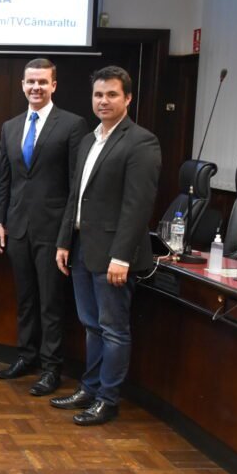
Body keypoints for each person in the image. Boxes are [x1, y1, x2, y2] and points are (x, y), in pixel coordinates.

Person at [52, 66, 161, 425]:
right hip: (82, 247)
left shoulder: (141, 141)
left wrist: (122, 256)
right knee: (91, 324)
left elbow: (137, 207)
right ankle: (90, 387)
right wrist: (64, 241)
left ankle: (108, 399)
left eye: (112, 94)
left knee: (113, 328)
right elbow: (76, 197)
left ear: (128, 98)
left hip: (114, 254)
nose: (104, 101)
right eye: (99, 94)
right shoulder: (88, 139)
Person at [0, 59, 89, 396]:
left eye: (42, 82)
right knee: (27, 300)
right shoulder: (11, 126)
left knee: (51, 303)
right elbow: (6, 180)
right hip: (17, 227)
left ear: (54, 86)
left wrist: (66, 235)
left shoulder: (73, 125)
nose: (36, 87)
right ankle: (26, 357)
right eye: (31, 82)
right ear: (22, 85)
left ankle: (51, 369)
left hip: (52, 230)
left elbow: (76, 186)